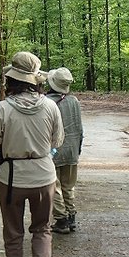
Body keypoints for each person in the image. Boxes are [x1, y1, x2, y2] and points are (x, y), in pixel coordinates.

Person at [0, 51, 64, 257]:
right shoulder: (50, 106)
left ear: (11, 80)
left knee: (13, 231)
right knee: (42, 228)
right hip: (44, 176)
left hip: (12, 179)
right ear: (35, 81)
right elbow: (57, 140)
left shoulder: (1, 109)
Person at [45, 67, 84, 234]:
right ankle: (71, 215)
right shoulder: (74, 101)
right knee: (69, 185)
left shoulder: (47, 102)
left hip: (53, 150)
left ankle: (61, 219)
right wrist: (78, 148)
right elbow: (80, 128)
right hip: (72, 150)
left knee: (54, 186)